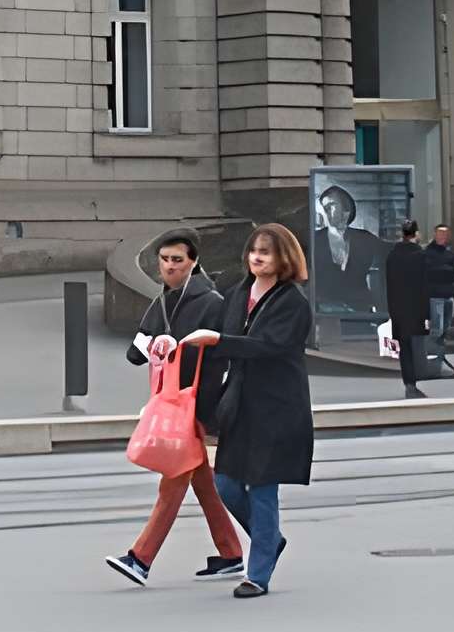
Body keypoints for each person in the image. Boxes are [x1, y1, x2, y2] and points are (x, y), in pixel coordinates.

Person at [179, 222, 314, 599]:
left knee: (262, 487)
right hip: (239, 402)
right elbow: (219, 341)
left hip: (277, 406)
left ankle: (258, 575)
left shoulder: (293, 302)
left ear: (283, 258)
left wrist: (220, 340)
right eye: (254, 251)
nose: (257, 257)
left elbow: (267, 346)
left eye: (266, 252)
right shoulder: (239, 292)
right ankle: (269, 541)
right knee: (226, 483)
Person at [107, 230, 244, 588]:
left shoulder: (210, 302)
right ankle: (234, 552)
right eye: (164, 260)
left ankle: (141, 558)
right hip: (177, 405)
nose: (169, 266)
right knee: (203, 483)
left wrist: (203, 410)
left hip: (191, 407)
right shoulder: (163, 301)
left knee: (172, 485)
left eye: (177, 260)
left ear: (194, 262)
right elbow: (136, 353)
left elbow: (219, 359)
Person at [309, 184, 390, 325]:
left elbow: (391, 253)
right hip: (325, 313)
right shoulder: (314, 240)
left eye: (332, 204)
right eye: (324, 206)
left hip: (360, 311)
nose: (327, 210)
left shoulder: (365, 238)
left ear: (346, 208)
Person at [382, 221, 435, 397]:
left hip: (398, 308)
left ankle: (409, 383)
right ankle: (416, 381)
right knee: (417, 345)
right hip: (416, 308)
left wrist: (392, 310)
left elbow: (388, 285)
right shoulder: (420, 256)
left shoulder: (392, 256)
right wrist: (427, 314)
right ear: (416, 234)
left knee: (404, 347)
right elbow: (424, 286)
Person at [425, 222, 454, 374]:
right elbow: (428, 272)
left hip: (448, 295)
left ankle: (440, 356)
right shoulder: (428, 253)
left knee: (445, 329)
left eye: (445, 234)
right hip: (435, 295)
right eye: (440, 233)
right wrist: (444, 272)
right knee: (436, 329)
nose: (443, 237)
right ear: (435, 235)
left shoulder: (449, 254)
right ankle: (432, 360)